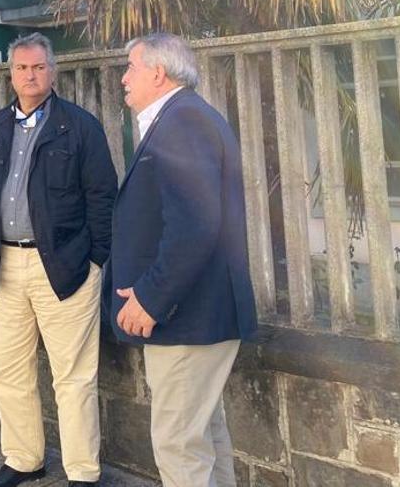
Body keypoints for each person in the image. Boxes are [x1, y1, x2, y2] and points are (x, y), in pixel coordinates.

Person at [110, 33, 258, 487]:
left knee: (179, 446)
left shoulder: (183, 122)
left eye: (131, 67)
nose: (122, 79)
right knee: (204, 437)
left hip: (188, 316)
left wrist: (151, 298)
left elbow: (195, 225)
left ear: (158, 72)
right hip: (195, 315)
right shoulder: (181, 118)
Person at [0, 33, 117, 487]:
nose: (29, 75)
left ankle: (83, 473)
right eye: (21, 68)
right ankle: (23, 459)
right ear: (10, 73)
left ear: (52, 71)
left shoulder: (79, 126)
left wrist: (95, 259)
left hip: (65, 266)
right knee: (8, 372)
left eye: (37, 67)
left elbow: (102, 196)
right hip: (6, 266)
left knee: (72, 377)